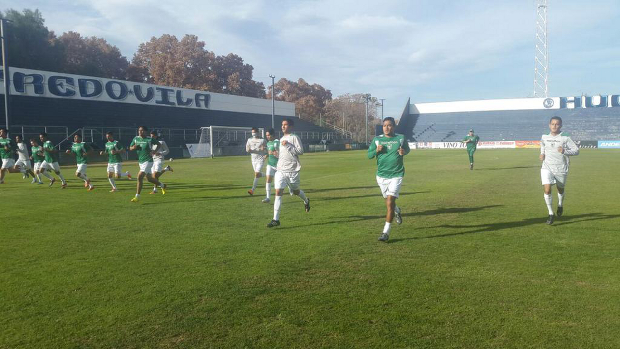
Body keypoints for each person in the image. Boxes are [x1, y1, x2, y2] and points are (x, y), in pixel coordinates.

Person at [367, 117, 411, 242]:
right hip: (381, 176)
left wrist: (404, 152)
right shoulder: (377, 140)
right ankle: (397, 211)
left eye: (390, 125)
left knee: (390, 201)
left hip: (397, 174)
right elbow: (369, 155)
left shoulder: (401, 138)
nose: (387, 127)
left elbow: (407, 149)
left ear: (394, 127)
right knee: (388, 202)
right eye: (385, 125)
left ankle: (385, 232)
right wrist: (376, 150)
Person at [267, 119, 310, 228]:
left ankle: (306, 200)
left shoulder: (294, 138)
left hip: (292, 170)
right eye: (282, 125)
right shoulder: (281, 139)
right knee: (278, 192)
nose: (283, 126)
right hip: (280, 170)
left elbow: (301, 151)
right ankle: (275, 219)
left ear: (291, 126)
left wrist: (289, 145)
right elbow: (283, 155)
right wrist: (276, 154)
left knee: (295, 191)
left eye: (285, 125)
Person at [540, 116, 579, 225]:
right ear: (549, 125)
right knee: (547, 190)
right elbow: (542, 145)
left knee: (560, 189)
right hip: (546, 167)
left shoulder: (565, 137)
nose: (554, 126)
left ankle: (560, 204)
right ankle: (551, 213)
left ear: (560, 125)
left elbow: (576, 151)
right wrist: (542, 153)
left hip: (561, 168)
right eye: (552, 124)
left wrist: (564, 151)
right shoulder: (544, 136)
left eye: (557, 124)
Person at [129, 126, 166, 202]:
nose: (140, 132)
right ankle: (162, 185)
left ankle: (137, 197)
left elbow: (159, 144)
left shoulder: (149, 139)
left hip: (148, 161)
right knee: (149, 179)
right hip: (141, 161)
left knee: (139, 177)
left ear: (145, 131)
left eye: (142, 130)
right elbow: (130, 148)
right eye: (139, 130)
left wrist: (154, 151)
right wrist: (134, 147)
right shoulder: (136, 138)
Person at [245, 127, 267, 196]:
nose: (253, 134)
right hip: (253, 159)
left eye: (254, 132)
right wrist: (248, 150)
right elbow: (247, 149)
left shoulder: (262, 140)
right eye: (252, 132)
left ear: (258, 132)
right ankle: (270, 175)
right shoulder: (249, 140)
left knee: (256, 174)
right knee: (258, 174)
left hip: (260, 159)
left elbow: (268, 149)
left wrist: (265, 150)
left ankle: (252, 190)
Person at [262, 128, 279, 203]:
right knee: (268, 180)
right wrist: (267, 155)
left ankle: (290, 187)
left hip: (278, 165)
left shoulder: (277, 142)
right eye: (266, 135)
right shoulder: (268, 143)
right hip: (270, 164)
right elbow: (270, 152)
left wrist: (274, 153)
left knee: (277, 183)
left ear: (273, 135)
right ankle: (268, 197)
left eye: (268, 135)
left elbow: (280, 154)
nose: (267, 136)